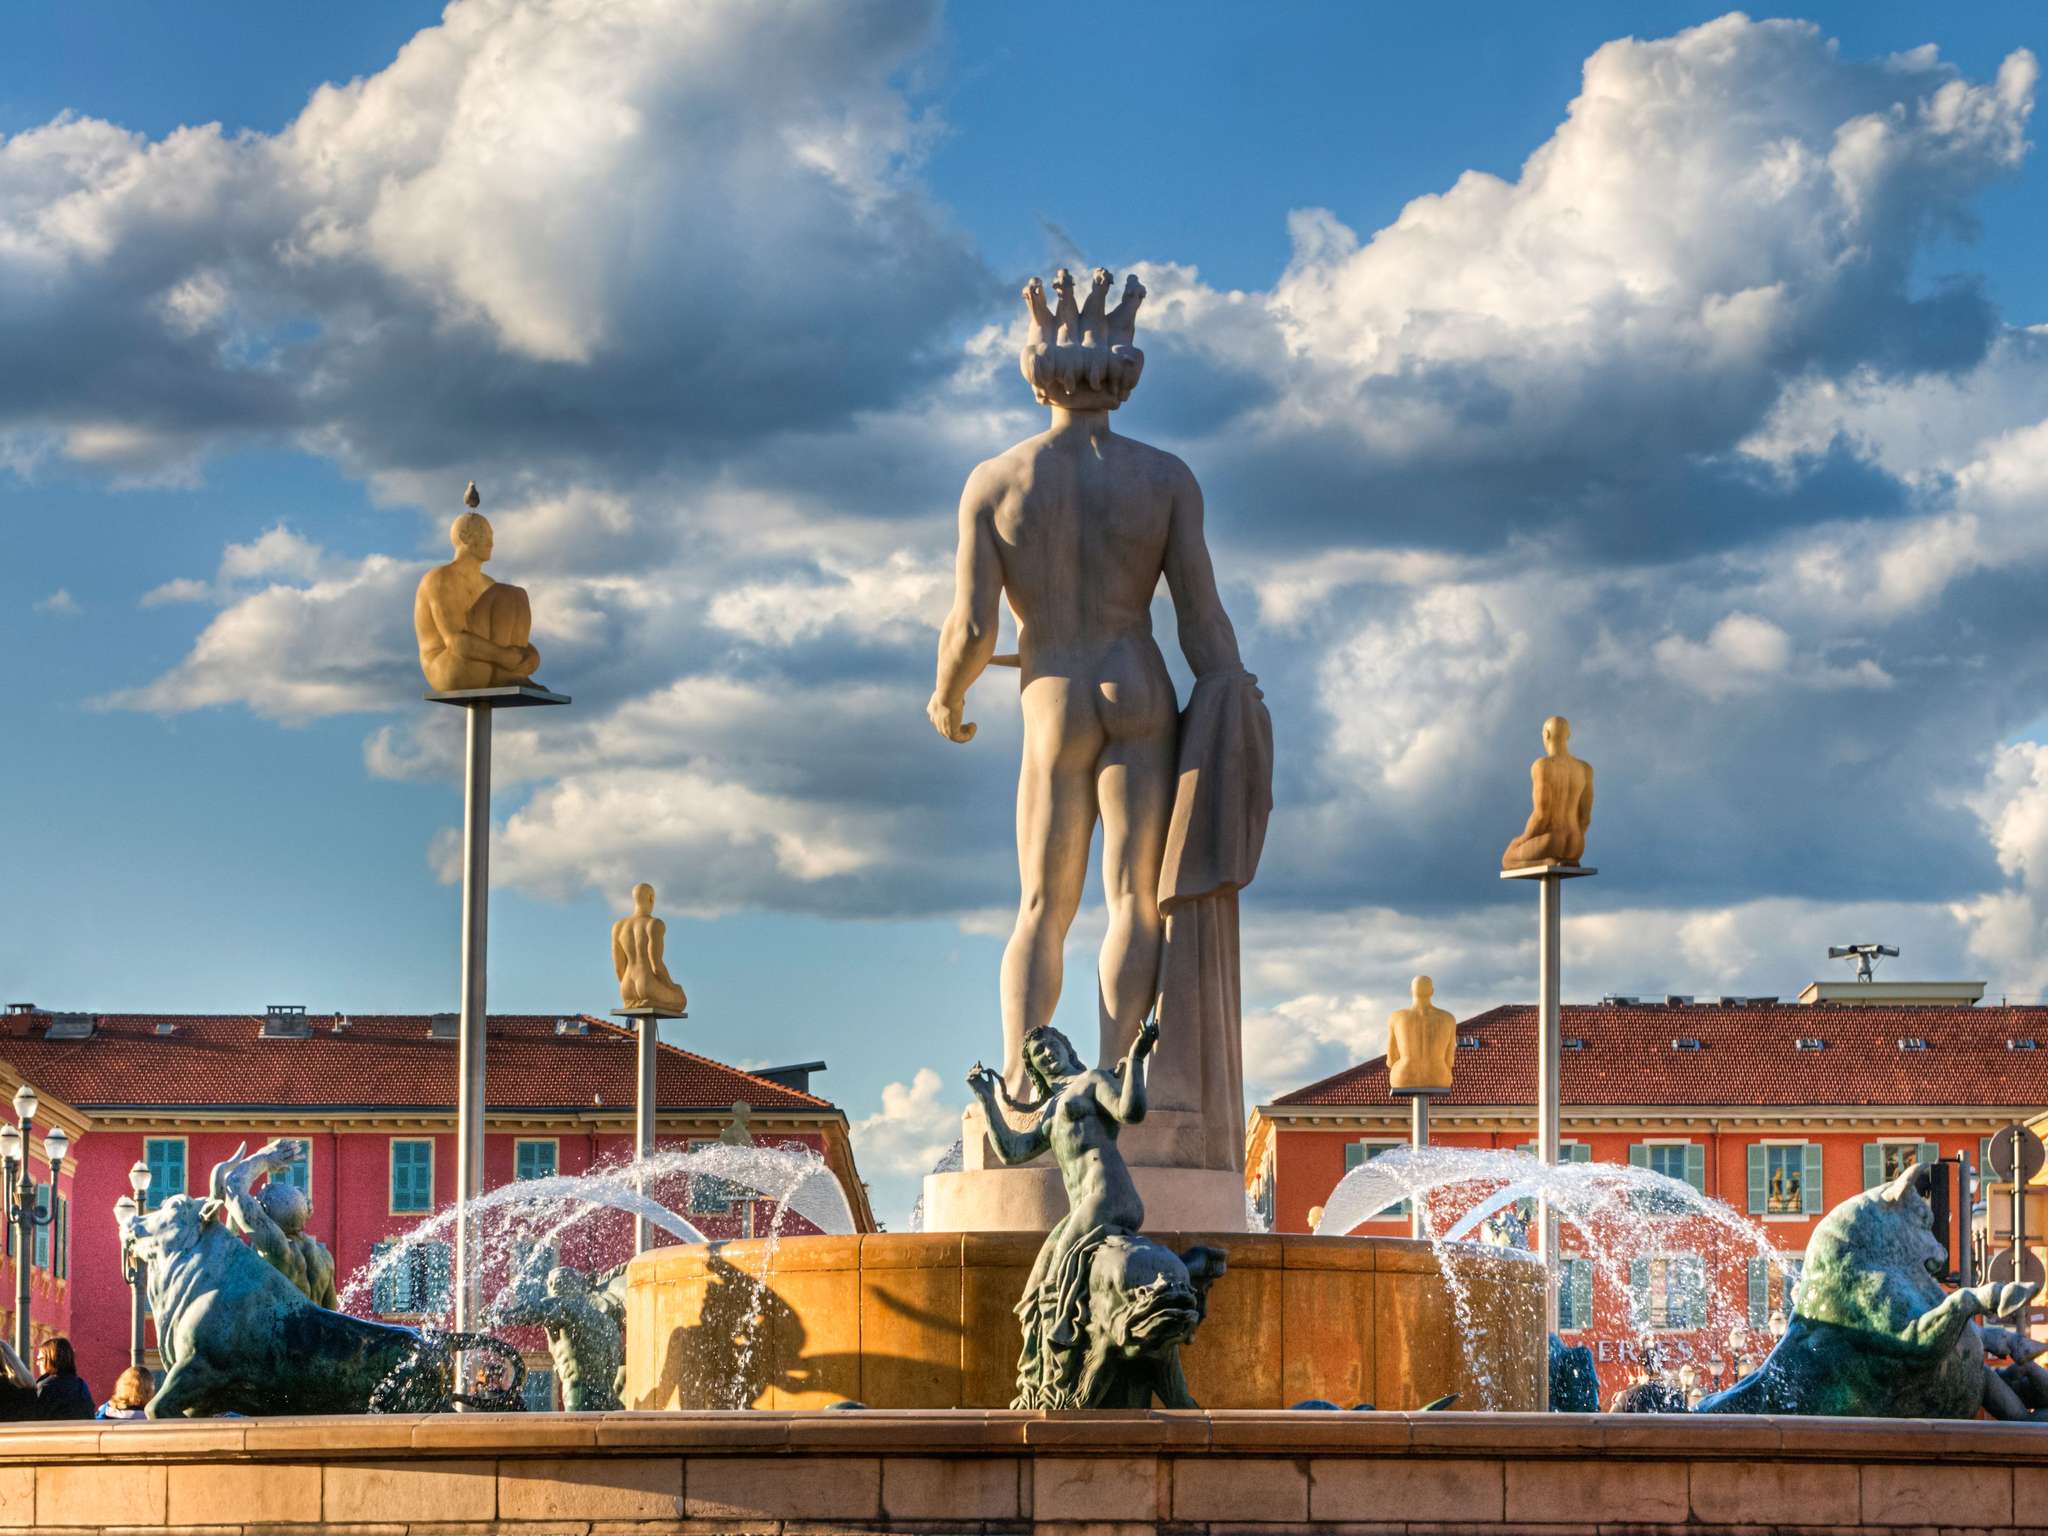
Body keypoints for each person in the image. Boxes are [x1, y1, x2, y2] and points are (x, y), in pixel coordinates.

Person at [34, 1338, 94, 1420]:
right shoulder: (81, 1385)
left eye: (40, 1359)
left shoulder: (46, 1387)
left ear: (52, 1358)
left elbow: (36, 1419)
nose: (37, 1363)